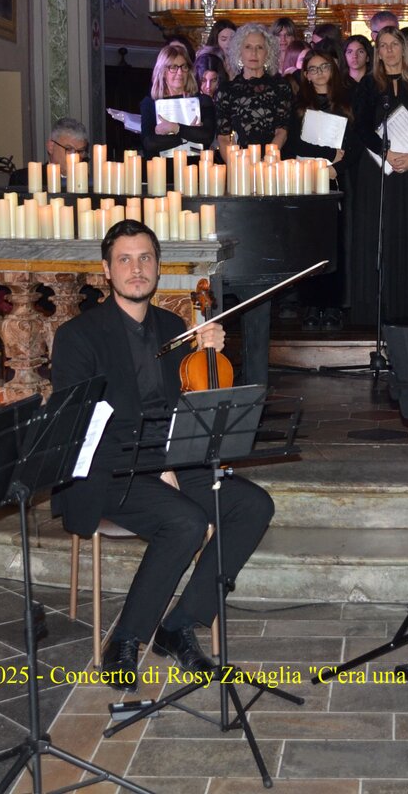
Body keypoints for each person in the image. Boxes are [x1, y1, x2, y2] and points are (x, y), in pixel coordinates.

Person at [50, 220, 275, 678]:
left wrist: (213, 353)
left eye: (145, 258)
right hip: (109, 470)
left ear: (157, 266)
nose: (137, 269)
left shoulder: (173, 327)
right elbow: (79, 427)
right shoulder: (78, 336)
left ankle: (180, 624)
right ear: (106, 270)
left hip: (170, 459)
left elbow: (199, 403)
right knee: (185, 521)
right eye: (125, 259)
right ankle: (126, 640)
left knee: (253, 505)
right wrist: (156, 463)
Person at [348, 25, 408, 326]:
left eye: (394, 44)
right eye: (383, 45)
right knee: (379, 233)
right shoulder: (368, 85)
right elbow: (361, 127)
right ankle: (378, 305)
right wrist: (385, 152)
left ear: (404, 48)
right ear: (377, 52)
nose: (388, 51)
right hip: (377, 169)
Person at [287, 43, 354, 329]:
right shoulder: (299, 106)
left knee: (336, 243)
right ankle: (311, 305)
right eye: (312, 69)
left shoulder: (347, 101)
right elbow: (294, 145)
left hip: (337, 178)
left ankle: (333, 306)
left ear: (333, 69)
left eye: (324, 67)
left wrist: (336, 166)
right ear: (306, 75)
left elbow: (353, 145)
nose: (319, 73)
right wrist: (328, 155)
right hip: (308, 179)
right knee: (309, 244)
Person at [215, 22, 295, 151]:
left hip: (273, 159)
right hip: (238, 160)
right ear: (239, 52)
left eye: (260, 47)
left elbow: (282, 132)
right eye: (248, 47)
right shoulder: (226, 90)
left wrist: (267, 159)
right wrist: (235, 162)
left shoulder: (280, 87)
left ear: (268, 53)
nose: (254, 53)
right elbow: (223, 138)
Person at [140, 41, 217, 157]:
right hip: (162, 166)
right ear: (163, 72)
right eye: (173, 67)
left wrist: (175, 128)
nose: (180, 72)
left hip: (196, 165)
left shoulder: (202, 101)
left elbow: (207, 136)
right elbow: (150, 143)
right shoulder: (150, 103)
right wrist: (188, 134)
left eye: (184, 67)